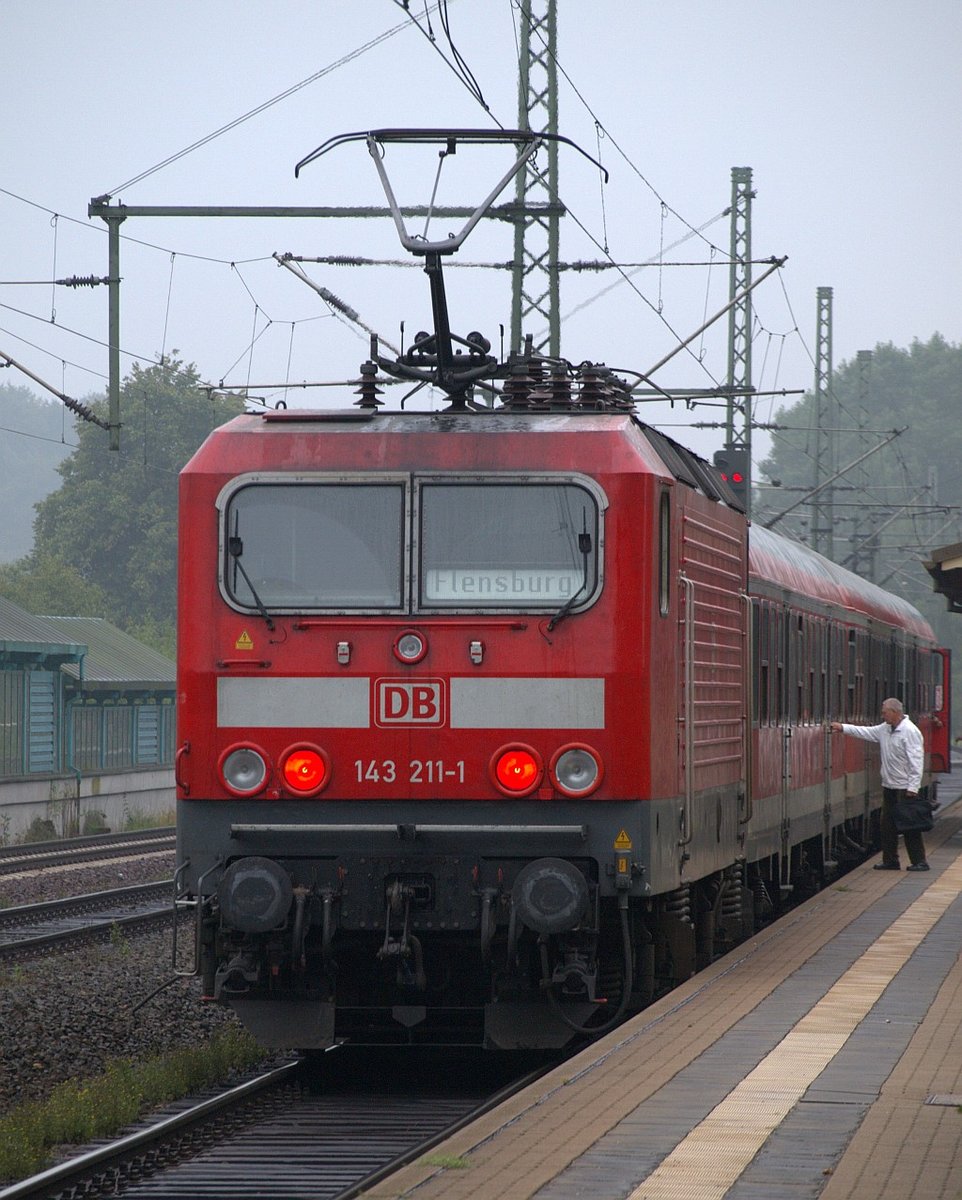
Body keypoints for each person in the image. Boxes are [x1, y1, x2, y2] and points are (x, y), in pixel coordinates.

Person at [831, 698, 928, 871]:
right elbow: (866, 732)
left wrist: (913, 787)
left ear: (895, 712)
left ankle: (920, 861)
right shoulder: (885, 729)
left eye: (885, 712)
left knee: (910, 825)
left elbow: (916, 760)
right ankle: (891, 860)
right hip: (889, 785)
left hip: (905, 787)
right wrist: (843, 728)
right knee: (887, 826)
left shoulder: (910, 731)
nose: (882, 715)